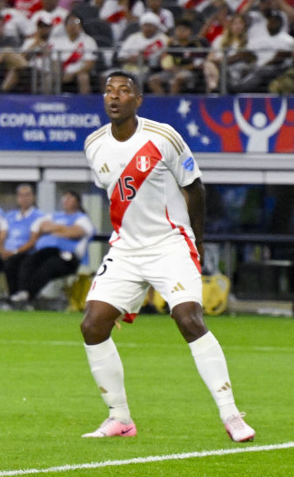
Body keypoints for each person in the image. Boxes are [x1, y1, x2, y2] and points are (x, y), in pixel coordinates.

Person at [79, 71, 254, 443]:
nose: (114, 97)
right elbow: (114, 197)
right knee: (92, 324)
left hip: (170, 244)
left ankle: (231, 414)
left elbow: (195, 188)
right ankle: (120, 418)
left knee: (187, 318)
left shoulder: (163, 137)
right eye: (109, 91)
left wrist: (198, 241)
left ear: (138, 99)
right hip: (126, 248)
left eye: (124, 91)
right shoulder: (93, 145)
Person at [13, 190, 94, 305]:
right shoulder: (54, 215)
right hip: (47, 251)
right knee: (28, 261)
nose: (66, 201)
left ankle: (28, 295)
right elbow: (42, 226)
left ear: (77, 202)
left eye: (70, 198)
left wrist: (55, 228)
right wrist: (64, 228)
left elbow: (76, 232)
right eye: (65, 198)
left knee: (48, 267)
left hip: (67, 256)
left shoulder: (81, 218)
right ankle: (22, 292)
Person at [0, 184, 45, 308]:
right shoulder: (9, 216)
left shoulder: (39, 216)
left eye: (27, 195)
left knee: (18, 263)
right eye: (21, 195)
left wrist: (14, 252)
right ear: (17, 198)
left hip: (29, 252)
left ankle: (21, 297)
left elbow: (33, 240)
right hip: (8, 253)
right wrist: (2, 250)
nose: (24, 198)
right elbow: (1, 236)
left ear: (33, 198)